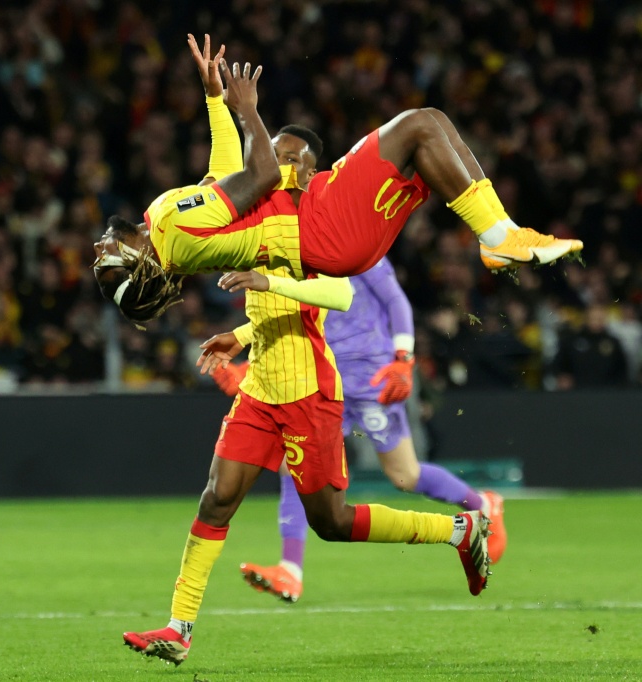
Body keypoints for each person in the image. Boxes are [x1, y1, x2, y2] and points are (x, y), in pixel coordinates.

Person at [121, 43, 493, 669]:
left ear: (312, 172)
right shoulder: (246, 211)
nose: (280, 163)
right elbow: (223, 169)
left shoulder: (314, 229)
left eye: (294, 159)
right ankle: (178, 627)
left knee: (334, 520)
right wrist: (215, 97)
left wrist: (269, 283)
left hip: (310, 386)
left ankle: (460, 528)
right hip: (263, 382)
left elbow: (340, 291)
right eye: (278, 155)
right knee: (217, 497)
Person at [93, 35, 583, 326]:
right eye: (110, 267)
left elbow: (220, 177)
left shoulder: (162, 221)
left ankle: (499, 234)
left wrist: (214, 98)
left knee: (429, 123)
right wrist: (248, 114)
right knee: (417, 126)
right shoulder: (175, 238)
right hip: (319, 230)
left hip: (318, 218)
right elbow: (260, 174)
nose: (100, 252)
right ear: (142, 266)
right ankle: (498, 238)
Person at [212, 256, 508, 604]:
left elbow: (395, 299)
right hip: (319, 378)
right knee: (293, 464)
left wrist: (404, 357)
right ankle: (290, 570)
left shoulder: (358, 246)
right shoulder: (293, 248)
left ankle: (483, 505)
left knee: (404, 475)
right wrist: (251, 366)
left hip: (371, 379)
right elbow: (290, 317)